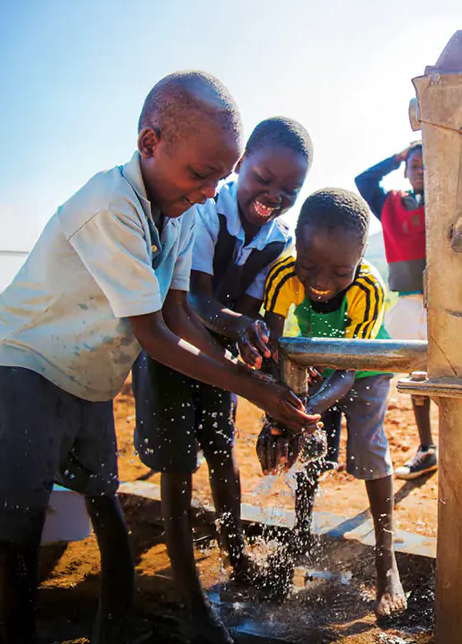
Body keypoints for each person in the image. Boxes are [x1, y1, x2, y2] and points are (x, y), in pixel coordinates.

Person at [0, 71, 318, 644]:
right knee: (19, 521)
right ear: (149, 142)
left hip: (88, 378)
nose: (209, 191)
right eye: (201, 174)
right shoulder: (113, 206)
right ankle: (16, 632)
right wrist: (253, 389)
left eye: (218, 178)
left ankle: (116, 622)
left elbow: (179, 313)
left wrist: (243, 379)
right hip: (23, 363)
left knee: (104, 497)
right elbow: (155, 335)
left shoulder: (179, 214)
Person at [133, 116, 312, 644]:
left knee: (220, 454)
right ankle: (189, 591)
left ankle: (235, 557)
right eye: (263, 178)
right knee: (176, 465)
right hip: (173, 349)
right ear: (241, 165)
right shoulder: (206, 211)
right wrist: (239, 326)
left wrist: (255, 352)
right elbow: (196, 300)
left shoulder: (278, 239)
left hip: (220, 361)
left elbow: (255, 310)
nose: (273, 195)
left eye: (289, 190)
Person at [256, 187, 408, 618]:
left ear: (360, 258)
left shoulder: (368, 287)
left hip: (364, 369)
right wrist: (279, 415)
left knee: (369, 450)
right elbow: (273, 351)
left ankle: (386, 563)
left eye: (339, 271)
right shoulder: (283, 275)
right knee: (309, 453)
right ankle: (298, 538)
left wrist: (302, 411)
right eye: (309, 265)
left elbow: (349, 370)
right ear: (297, 248)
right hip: (315, 364)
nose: (321, 282)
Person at [355, 143, 437, 480]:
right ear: (405, 170)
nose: (420, 169)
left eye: (426, 163)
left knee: (453, 375)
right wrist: (397, 157)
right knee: (416, 376)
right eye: (414, 164)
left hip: (444, 303)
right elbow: (363, 181)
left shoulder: (448, 200)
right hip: (406, 302)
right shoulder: (391, 204)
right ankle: (428, 449)